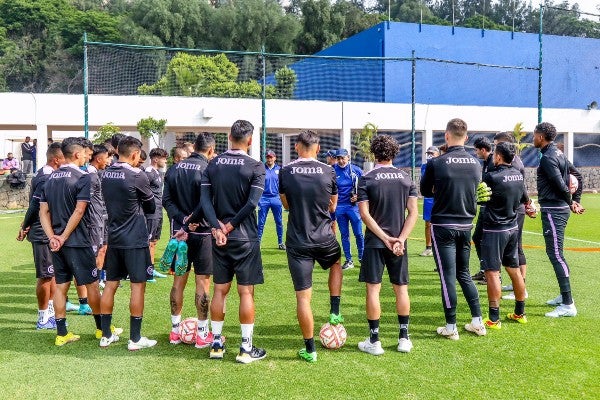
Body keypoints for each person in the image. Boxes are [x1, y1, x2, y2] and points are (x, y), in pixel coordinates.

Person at [200, 119, 267, 364]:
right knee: (245, 291)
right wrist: (228, 226)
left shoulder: (213, 164)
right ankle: (246, 348)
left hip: (219, 237)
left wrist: (218, 227)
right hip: (244, 237)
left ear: (229, 137)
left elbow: (205, 202)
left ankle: (216, 344)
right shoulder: (256, 166)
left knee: (220, 289)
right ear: (249, 140)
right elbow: (251, 204)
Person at [279, 130, 343, 363]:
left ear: (296, 147)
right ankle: (335, 310)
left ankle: (310, 349)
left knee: (303, 298)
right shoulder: (329, 171)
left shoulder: (285, 171)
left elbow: (286, 204)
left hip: (298, 240)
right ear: (317, 149)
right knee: (336, 263)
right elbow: (333, 206)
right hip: (325, 237)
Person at [420, 118, 486, 340]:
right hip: (466, 224)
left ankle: (451, 326)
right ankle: (478, 321)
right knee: (464, 273)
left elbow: (425, 191)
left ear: (446, 136)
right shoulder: (477, 163)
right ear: (466, 138)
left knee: (448, 276)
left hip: (443, 225)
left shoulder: (436, 163)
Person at [38, 137, 104, 346]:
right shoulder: (83, 177)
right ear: (77, 154)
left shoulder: (50, 178)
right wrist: (64, 237)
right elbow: (80, 210)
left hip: (57, 244)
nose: (88, 156)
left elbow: (43, 212)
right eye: (85, 153)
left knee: (61, 287)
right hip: (78, 241)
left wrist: (53, 238)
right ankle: (102, 329)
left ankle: (62, 333)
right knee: (92, 285)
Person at [356, 135, 418, 355]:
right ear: (395, 153)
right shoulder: (405, 178)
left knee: (374, 289)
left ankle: (375, 341)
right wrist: (400, 239)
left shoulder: (366, 178)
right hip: (399, 244)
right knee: (401, 289)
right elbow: (413, 213)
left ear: (374, 154)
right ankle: (404, 338)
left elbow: (364, 214)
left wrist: (384, 238)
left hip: (375, 241)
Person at [100, 136, 157, 350]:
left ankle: (106, 335)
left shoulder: (106, 173)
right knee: (137, 287)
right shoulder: (137, 176)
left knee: (111, 284)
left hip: (114, 238)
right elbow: (151, 207)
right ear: (134, 154)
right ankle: (135, 339)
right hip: (134, 239)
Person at [163, 133, 217, 348]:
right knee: (202, 282)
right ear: (211, 150)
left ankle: (175, 332)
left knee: (178, 281)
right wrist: (193, 221)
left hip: (179, 233)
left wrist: (183, 220)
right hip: (202, 233)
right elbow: (210, 201)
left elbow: (166, 200)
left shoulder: (174, 168)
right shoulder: (209, 170)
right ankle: (203, 334)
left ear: (194, 147)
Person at [533, 122, 584, 318]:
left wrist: (572, 201)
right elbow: (577, 175)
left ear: (542, 137)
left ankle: (568, 304)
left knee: (555, 254)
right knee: (556, 253)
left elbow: (560, 184)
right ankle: (564, 296)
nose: (533, 137)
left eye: (535, 134)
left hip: (554, 210)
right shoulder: (559, 153)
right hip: (557, 208)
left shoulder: (548, 157)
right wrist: (575, 201)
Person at [479, 142, 531, 329]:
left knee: (492, 272)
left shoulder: (491, 177)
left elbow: (478, 198)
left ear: (498, 157)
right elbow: (525, 199)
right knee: (514, 270)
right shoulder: (518, 175)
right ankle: (520, 313)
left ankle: (494, 319)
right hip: (512, 227)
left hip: (495, 230)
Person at [17, 142, 65, 329]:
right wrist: (26, 225)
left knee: (51, 275)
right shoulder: (45, 177)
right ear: (56, 160)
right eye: (64, 159)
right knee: (46, 276)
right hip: (42, 232)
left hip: (48, 231)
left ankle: (50, 312)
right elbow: (35, 206)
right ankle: (42, 317)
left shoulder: (48, 174)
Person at [493, 132, 531, 300]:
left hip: (513, 210)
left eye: (497, 146)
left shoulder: (513, 165)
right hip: (515, 208)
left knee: (517, 248)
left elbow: (519, 189)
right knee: (515, 248)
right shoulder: (515, 162)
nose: (495, 150)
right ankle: (518, 286)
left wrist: (528, 203)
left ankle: (521, 286)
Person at [333, 148, 364, 270]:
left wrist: (358, 196)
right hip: (340, 207)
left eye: (342, 158)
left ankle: (362, 258)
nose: (340, 161)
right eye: (338, 158)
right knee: (344, 234)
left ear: (348, 157)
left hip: (353, 207)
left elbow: (365, 187)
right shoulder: (332, 171)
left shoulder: (356, 170)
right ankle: (349, 260)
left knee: (359, 233)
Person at [87, 145, 110, 288]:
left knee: (102, 250)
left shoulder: (97, 174)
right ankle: (91, 289)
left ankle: (99, 280)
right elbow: (84, 202)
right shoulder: (91, 175)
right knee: (92, 255)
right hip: (93, 221)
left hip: (101, 219)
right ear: (99, 158)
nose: (108, 161)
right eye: (107, 157)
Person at [471, 137, 494, 283]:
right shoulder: (487, 162)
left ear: (483, 150)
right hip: (485, 206)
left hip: (491, 209)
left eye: (476, 150)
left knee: (486, 240)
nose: (475, 152)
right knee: (478, 238)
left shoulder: (493, 163)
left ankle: (492, 274)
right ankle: (484, 270)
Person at [145, 147, 168, 268]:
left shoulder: (158, 173)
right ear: (155, 159)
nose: (165, 161)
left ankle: (151, 268)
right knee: (148, 241)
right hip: (151, 212)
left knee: (154, 241)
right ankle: (146, 268)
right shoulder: (148, 173)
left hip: (158, 211)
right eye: (164, 159)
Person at [257, 149, 285, 250]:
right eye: (268, 157)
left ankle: (281, 243)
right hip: (263, 198)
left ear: (275, 158)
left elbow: (283, 184)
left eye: (271, 157)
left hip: (276, 198)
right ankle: (258, 242)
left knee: (279, 221)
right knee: (261, 222)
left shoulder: (279, 169)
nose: (269, 159)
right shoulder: (261, 169)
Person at [420, 146, 439, 257]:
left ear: (437, 154)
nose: (430, 155)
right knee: (428, 223)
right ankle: (428, 247)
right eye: (428, 153)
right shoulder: (424, 166)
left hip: (439, 198)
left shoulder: (441, 165)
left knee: (440, 223)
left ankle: (439, 247)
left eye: (432, 153)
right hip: (428, 199)